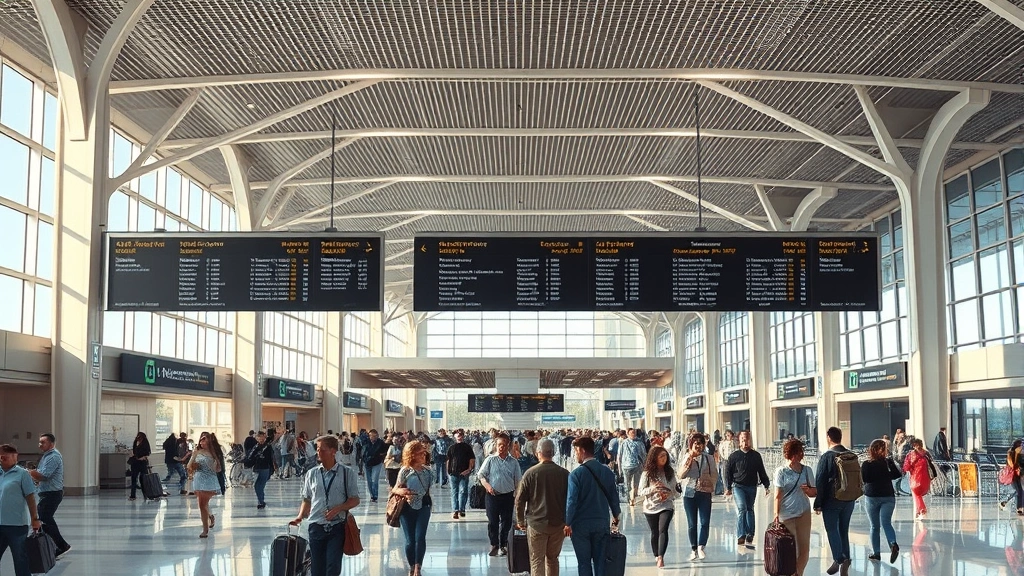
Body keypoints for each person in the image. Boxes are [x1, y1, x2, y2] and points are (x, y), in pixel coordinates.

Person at [290, 435, 360, 576]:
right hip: (316, 526)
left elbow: (355, 500)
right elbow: (307, 499)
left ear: (333, 451)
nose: (318, 452)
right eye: (317, 449)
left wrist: (338, 509)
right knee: (317, 568)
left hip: (337, 526)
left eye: (322, 449)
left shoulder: (347, 473)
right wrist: (299, 517)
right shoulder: (312, 474)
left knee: (333, 567)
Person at [565, 436, 620, 576]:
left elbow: (572, 501)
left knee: (584, 563)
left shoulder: (576, 474)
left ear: (582, 450)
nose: (575, 455)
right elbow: (614, 497)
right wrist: (616, 515)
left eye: (576, 451)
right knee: (600, 562)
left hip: (581, 526)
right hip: (601, 523)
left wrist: (568, 522)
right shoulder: (607, 472)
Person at [515, 439, 570, 576]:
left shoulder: (530, 473)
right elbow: (571, 500)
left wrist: (520, 521)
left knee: (537, 560)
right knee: (552, 559)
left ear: (538, 453)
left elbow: (520, 499)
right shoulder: (564, 474)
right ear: (554, 452)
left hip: (536, 524)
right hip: (558, 525)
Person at [814, 426, 856, 576]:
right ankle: (845, 559)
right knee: (843, 530)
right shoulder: (851, 454)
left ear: (828, 438)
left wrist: (818, 502)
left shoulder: (827, 456)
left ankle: (840, 558)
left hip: (832, 500)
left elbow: (820, 480)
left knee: (832, 530)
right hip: (849, 499)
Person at [773, 438, 816, 576]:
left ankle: (798, 573)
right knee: (791, 550)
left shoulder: (807, 470)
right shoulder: (781, 472)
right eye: (796, 453)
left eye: (800, 453)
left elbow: (814, 492)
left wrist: (808, 491)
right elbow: (777, 496)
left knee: (804, 550)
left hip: (804, 512)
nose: (798, 456)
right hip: (786, 515)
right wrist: (776, 515)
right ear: (789, 454)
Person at [392, 440, 434, 576]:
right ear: (412, 455)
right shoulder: (405, 471)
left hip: (424, 505)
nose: (423, 456)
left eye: (424, 453)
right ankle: (411, 565)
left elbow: (429, 488)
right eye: (420, 453)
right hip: (407, 507)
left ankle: (418, 567)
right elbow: (395, 489)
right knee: (410, 540)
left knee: (420, 537)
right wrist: (403, 492)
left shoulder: (428, 471)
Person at [724, 430, 771, 546]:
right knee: (742, 508)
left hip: (751, 486)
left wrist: (766, 485)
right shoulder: (734, 456)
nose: (745, 442)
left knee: (750, 508)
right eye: (743, 440)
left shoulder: (756, 456)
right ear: (739, 441)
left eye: (747, 440)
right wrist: (728, 487)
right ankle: (741, 534)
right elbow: (727, 472)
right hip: (738, 486)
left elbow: (761, 471)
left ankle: (750, 533)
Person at [478, 434, 523, 557]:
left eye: (503, 445)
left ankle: (503, 544)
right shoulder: (490, 460)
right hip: (492, 496)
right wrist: (487, 485)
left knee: (506, 521)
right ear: (496, 445)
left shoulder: (513, 462)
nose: (501, 447)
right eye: (499, 445)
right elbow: (481, 475)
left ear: (508, 445)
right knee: (493, 521)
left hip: (508, 496)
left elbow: (518, 480)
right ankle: (494, 544)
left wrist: (517, 495)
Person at [0, 444, 41, 576]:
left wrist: (35, 519)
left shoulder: (22, 474)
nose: (2, 459)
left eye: (5, 457)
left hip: (17, 525)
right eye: (1, 457)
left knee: (20, 559)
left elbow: (30, 498)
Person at [638, 446, 679, 568]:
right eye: (661, 456)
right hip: (650, 506)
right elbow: (640, 491)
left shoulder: (669, 472)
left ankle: (661, 557)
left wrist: (669, 493)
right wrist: (653, 488)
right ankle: (656, 554)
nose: (664, 458)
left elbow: (675, 491)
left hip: (666, 505)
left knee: (663, 529)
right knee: (654, 532)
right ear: (654, 458)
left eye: (665, 455)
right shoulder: (647, 473)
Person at [29, 433, 71, 557]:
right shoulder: (47, 456)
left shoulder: (53, 457)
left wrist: (28, 473)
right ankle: (50, 546)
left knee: (45, 519)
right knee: (43, 519)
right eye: (40, 442)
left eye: (43, 442)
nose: (40, 445)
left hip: (51, 493)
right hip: (47, 493)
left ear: (51, 444)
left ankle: (62, 545)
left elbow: (44, 476)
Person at [861, 439, 901, 564]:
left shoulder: (867, 464)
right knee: (886, 523)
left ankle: (876, 553)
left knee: (874, 526)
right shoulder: (887, 462)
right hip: (888, 496)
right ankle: (893, 544)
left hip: (872, 496)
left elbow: (865, 479)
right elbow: (896, 475)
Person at [679, 433, 717, 561]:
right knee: (692, 523)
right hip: (689, 493)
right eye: (695, 444)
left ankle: (701, 546)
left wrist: (711, 486)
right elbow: (680, 475)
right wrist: (689, 461)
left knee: (705, 521)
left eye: (700, 443)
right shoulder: (686, 457)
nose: (698, 446)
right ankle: (693, 548)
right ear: (691, 445)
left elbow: (714, 474)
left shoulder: (709, 458)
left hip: (704, 492)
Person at [188, 432, 223, 538]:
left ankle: (209, 520)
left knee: (203, 504)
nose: (202, 442)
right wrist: (193, 464)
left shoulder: (214, 453)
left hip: (210, 480)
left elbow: (219, 469)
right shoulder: (197, 452)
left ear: (209, 441)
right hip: (199, 479)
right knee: (202, 505)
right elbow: (189, 466)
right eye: (201, 440)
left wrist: (214, 465)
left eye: (204, 440)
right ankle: (205, 528)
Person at [447, 430, 476, 519]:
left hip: (464, 473)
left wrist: (469, 469)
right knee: (454, 492)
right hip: (453, 473)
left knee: (463, 491)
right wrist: (448, 472)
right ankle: (455, 510)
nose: (459, 435)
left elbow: (472, 459)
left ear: (463, 436)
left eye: (461, 434)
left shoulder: (467, 447)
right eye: (457, 434)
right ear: (454, 436)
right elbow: (448, 460)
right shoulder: (451, 448)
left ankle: (462, 509)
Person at [903, 438, 932, 520]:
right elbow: (931, 463)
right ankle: (918, 511)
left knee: (916, 493)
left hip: (915, 478)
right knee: (920, 494)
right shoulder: (926, 454)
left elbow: (906, 467)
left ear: (914, 445)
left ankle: (922, 510)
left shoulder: (911, 455)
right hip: (926, 478)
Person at [617, 428, 647, 506]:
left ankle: (633, 499)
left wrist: (645, 465)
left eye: (634, 433)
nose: (633, 434)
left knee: (635, 484)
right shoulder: (623, 443)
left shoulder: (639, 443)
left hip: (637, 466)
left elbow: (644, 455)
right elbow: (619, 455)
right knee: (627, 484)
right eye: (632, 433)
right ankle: (628, 499)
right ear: (628, 434)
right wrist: (619, 468)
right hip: (625, 466)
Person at [247, 431, 276, 509]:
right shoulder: (255, 447)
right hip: (257, 468)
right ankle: (261, 500)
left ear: (265, 438)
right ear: (257, 438)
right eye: (259, 438)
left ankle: (261, 501)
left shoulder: (268, 447)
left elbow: (271, 458)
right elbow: (250, 457)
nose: (261, 439)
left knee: (260, 486)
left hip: (265, 468)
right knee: (257, 486)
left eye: (262, 438)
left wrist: (272, 468)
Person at [362, 429, 387, 502]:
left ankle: (375, 495)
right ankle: (372, 495)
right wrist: (363, 459)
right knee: (369, 480)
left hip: (377, 463)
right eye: (371, 436)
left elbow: (385, 450)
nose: (372, 437)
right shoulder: (366, 442)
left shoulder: (380, 442)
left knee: (375, 479)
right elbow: (362, 451)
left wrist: (381, 456)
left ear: (377, 436)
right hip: (367, 463)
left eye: (374, 436)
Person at [128, 431, 152, 501]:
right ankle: (133, 495)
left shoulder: (145, 444)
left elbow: (147, 453)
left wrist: (143, 457)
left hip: (142, 463)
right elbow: (134, 451)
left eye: (140, 437)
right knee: (134, 479)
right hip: (135, 463)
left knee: (143, 479)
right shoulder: (135, 443)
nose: (139, 439)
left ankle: (146, 494)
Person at [1005, 439, 1024, 514]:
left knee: (1018, 491)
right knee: (1019, 491)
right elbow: (1014, 464)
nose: (1021, 446)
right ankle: (1019, 508)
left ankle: (1019, 507)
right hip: (1015, 474)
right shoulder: (1014, 452)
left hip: (1016, 473)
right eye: (1020, 445)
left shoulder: (1014, 452)